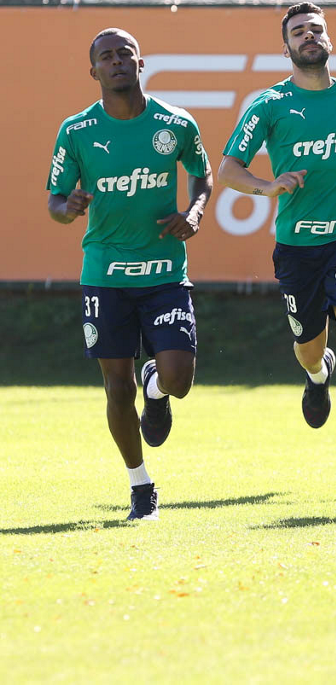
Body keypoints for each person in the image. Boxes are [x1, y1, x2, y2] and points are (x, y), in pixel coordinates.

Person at [219, 2, 336, 492]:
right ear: (286, 48)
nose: (309, 36)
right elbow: (229, 170)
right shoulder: (268, 105)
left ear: (329, 40)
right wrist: (269, 187)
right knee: (309, 347)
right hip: (298, 247)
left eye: (316, 29)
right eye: (298, 31)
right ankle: (318, 374)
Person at [46, 28, 211, 521]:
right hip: (105, 274)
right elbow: (55, 200)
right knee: (117, 388)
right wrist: (68, 207)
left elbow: (201, 174)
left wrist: (195, 212)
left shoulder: (175, 123)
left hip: (164, 273)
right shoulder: (76, 131)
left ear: (141, 63)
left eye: (125, 54)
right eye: (106, 57)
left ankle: (156, 388)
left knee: (179, 378)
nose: (116, 61)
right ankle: (141, 486)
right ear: (93, 70)